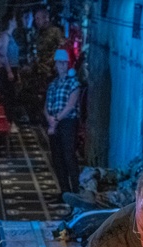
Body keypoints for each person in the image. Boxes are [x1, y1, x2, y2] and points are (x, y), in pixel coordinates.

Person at [63, 122, 143, 210]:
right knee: (89, 172)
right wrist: (98, 173)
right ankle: (89, 195)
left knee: (99, 199)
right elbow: (120, 173)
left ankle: (87, 200)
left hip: (133, 198)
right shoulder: (141, 159)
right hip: (121, 189)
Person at [45, 49, 81, 196]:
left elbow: (70, 105)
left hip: (67, 123)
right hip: (54, 123)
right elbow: (46, 106)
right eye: (59, 63)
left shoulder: (73, 83)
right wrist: (50, 119)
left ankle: (77, 191)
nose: (61, 66)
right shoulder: (53, 85)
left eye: (64, 63)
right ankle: (65, 192)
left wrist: (56, 121)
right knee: (57, 159)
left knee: (69, 156)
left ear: (67, 64)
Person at [0, 10, 21, 122]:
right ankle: (8, 121)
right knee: (8, 96)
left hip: (13, 68)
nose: (16, 21)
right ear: (10, 21)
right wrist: (9, 71)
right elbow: (3, 54)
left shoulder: (11, 36)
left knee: (13, 96)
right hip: (7, 70)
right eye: (14, 19)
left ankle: (11, 120)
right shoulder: (4, 36)